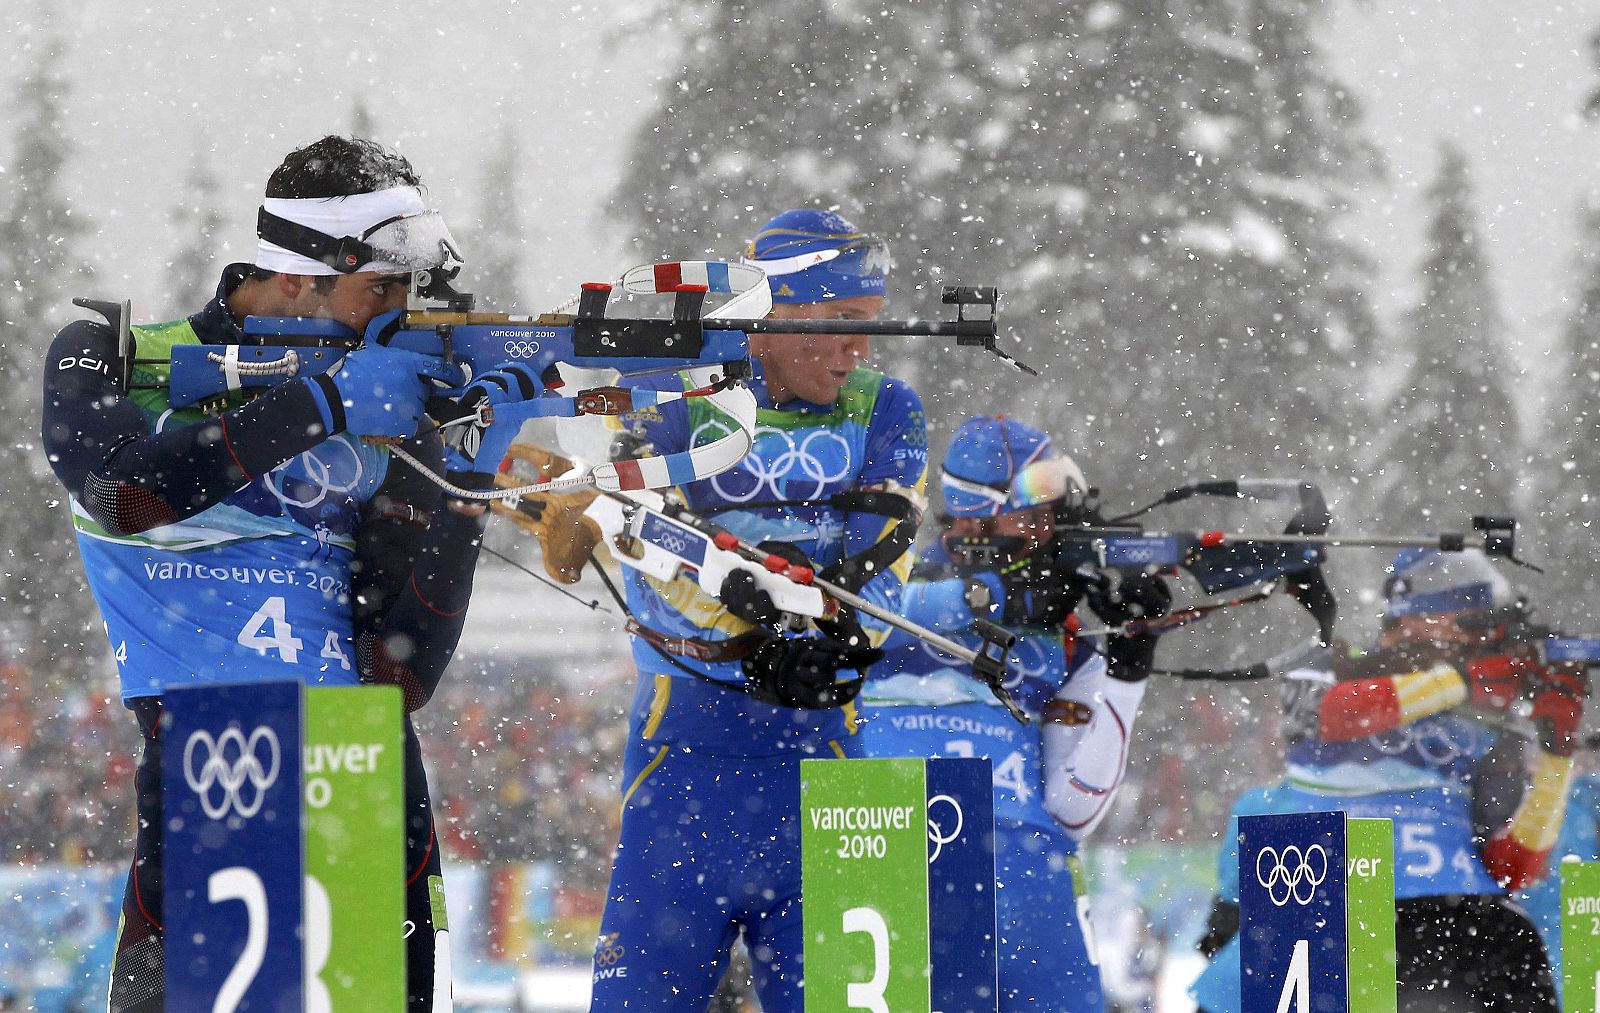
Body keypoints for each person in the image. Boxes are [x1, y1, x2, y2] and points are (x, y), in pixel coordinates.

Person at [41, 135, 511, 1012]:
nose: (396, 317)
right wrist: (320, 404)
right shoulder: (119, 356)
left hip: (358, 773)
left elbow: (401, 673)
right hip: (204, 767)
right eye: (380, 289)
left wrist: (469, 482)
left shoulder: (392, 395)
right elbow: (125, 493)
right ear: (296, 276)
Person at [587, 208, 928, 1011]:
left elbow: (885, 577)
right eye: (844, 323)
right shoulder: (667, 399)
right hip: (683, 770)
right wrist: (759, 645)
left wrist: (826, 644)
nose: (860, 349)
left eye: (870, 326)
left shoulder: (889, 408)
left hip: (835, 770)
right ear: (775, 316)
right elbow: (646, 564)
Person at [858, 415, 1170, 1012]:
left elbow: (1072, 809)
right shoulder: (885, 581)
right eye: (1034, 509)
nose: (1050, 526)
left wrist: (1129, 671)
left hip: (1022, 867)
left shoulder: (1065, 632)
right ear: (972, 516)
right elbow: (834, 615)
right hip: (884, 849)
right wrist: (998, 596)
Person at [1188, 548, 1583, 1013]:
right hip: (1320, 897)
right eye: (1473, 625)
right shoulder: (1332, 662)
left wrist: (1558, 753)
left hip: (1448, 919)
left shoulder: (1492, 717)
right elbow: (1326, 712)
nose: (1486, 640)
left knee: (1512, 943)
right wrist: (1461, 680)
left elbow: (1513, 868)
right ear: (1412, 618)